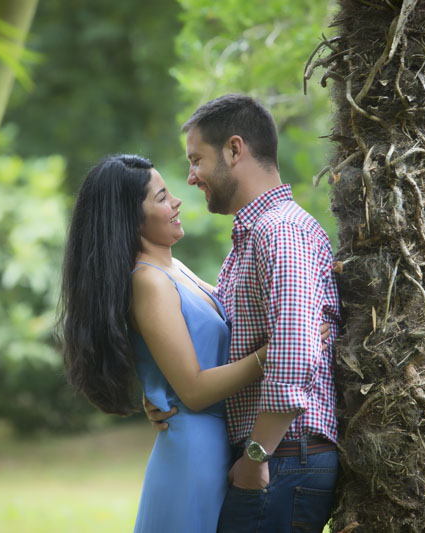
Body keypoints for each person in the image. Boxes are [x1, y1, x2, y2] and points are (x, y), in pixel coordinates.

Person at [147, 94, 342, 532]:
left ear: (234, 150)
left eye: (196, 160)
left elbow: (294, 351)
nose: (191, 177)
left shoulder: (281, 231)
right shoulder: (253, 237)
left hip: (282, 459)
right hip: (278, 458)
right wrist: (162, 394)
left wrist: (256, 457)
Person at [59, 154, 271, 533]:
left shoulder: (174, 268)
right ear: (129, 218)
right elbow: (193, 390)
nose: (177, 201)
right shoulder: (149, 282)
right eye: (161, 198)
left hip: (213, 444)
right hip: (194, 453)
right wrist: (275, 353)